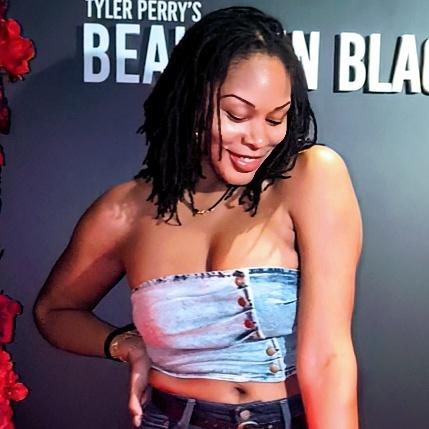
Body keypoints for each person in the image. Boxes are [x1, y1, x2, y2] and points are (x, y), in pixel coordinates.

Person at [33, 6, 362, 429]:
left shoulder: (310, 177)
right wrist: (125, 344)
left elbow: (329, 357)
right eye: (236, 115)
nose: (258, 138)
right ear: (192, 101)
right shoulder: (126, 211)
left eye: (275, 118)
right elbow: (54, 311)